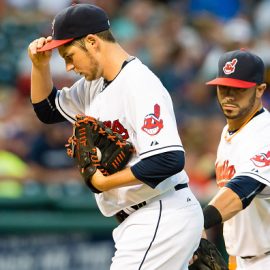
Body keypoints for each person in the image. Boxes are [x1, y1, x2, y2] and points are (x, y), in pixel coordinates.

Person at [27, 3, 203, 270]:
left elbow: (169, 159)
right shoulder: (93, 85)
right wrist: (40, 67)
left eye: (69, 55)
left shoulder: (139, 84)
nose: (69, 66)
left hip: (159, 212)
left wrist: (102, 182)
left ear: (92, 41)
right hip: (145, 217)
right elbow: (48, 110)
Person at [203, 49, 270, 270]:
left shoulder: (266, 131)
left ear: (260, 90)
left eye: (239, 89)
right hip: (241, 259)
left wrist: (193, 224)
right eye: (223, 87)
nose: (229, 95)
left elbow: (242, 190)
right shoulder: (229, 131)